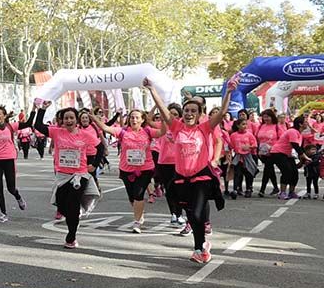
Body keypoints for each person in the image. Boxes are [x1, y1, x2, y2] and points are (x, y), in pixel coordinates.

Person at [148, 75, 235, 264]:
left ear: (199, 113)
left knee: (196, 214)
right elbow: (163, 111)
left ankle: (200, 246)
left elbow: (221, 113)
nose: (188, 113)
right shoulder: (176, 127)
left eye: (193, 111)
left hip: (201, 177)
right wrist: (152, 90)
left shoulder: (204, 128)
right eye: (186, 110)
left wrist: (228, 91)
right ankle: (200, 248)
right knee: (191, 215)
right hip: (181, 178)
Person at [34, 100, 101, 249]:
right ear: (62, 121)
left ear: (76, 120)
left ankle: (71, 237)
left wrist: (94, 165)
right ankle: (73, 215)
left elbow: (100, 146)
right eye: (66, 118)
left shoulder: (85, 135)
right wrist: (42, 110)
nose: (69, 120)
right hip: (62, 175)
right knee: (62, 204)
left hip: (79, 175)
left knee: (72, 204)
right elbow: (38, 126)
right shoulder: (57, 132)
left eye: (71, 118)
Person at [92, 108, 165, 233]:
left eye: (137, 117)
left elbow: (162, 132)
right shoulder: (123, 132)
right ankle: (139, 213)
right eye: (132, 117)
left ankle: (137, 222)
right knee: (132, 197)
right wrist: (94, 118)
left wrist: (164, 119)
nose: (134, 119)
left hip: (145, 169)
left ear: (142, 120)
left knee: (138, 194)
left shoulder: (148, 131)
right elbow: (106, 128)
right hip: (127, 169)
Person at [270, 116, 304, 200]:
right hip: (277, 152)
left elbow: (299, 148)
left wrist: (302, 160)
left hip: (287, 154)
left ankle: (292, 192)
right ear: (300, 124)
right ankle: (282, 192)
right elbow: (295, 145)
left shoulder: (299, 134)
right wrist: (305, 157)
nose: (308, 123)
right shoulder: (292, 131)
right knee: (287, 171)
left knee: (295, 172)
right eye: (306, 122)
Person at [254, 110, 283, 197]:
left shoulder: (277, 127)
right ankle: (275, 187)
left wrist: (273, 147)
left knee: (267, 169)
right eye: (264, 117)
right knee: (270, 170)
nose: (266, 119)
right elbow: (257, 138)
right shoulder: (260, 126)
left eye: (268, 117)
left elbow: (282, 139)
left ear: (272, 117)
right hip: (262, 152)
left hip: (273, 151)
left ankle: (262, 189)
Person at [229, 119, 259, 199]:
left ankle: (249, 189)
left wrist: (249, 147)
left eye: (246, 124)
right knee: (237, 173)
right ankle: (235, 189)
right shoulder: (233, 135)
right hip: (238, 156)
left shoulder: (249, 135)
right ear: (238, 125)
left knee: (249, 173)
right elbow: (230, 146)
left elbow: (255, 145)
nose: (245, 126)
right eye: (243, 124)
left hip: (247, 156)